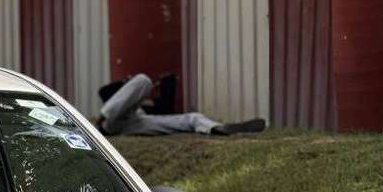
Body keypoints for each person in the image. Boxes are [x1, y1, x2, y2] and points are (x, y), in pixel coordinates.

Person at [96, 73, 266, 137]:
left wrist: (157, 95)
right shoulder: (113, 89)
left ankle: (216, 128)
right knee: (143, 79)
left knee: (193, 117)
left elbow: (163, 110)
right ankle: (102, 119)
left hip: (137, 123)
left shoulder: (146, 103)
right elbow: (104, 92)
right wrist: (127, 83)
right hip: (112, 122)